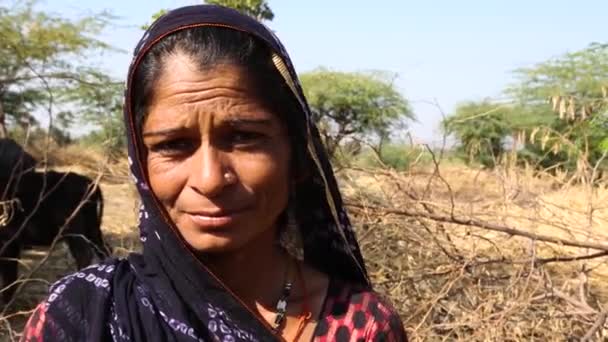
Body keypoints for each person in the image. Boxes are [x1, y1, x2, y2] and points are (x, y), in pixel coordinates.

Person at [21, 5, 406, 341]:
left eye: (243, 137)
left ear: (297, 157)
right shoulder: (80, 317)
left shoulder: (361, 327)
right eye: (173, 144)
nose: (209, 179)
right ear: (141, 163)